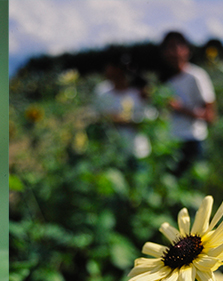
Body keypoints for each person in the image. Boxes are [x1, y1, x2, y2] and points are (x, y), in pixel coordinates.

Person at [161, 31, 216, 176]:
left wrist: (180, 109)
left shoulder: (196, 76)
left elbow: (210, 116)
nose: (173, 52)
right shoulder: (169, 82)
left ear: (187, 50)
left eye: (176, 46)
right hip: (173, 142)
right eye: (168, 47)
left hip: (193, 141)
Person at [93, 56, 152, 160]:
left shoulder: (138, 94)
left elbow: (149, 120)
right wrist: (109, 118)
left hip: (138, 151)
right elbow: (96, 116)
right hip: (112, 153)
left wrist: (125, 119)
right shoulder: (102, 92)